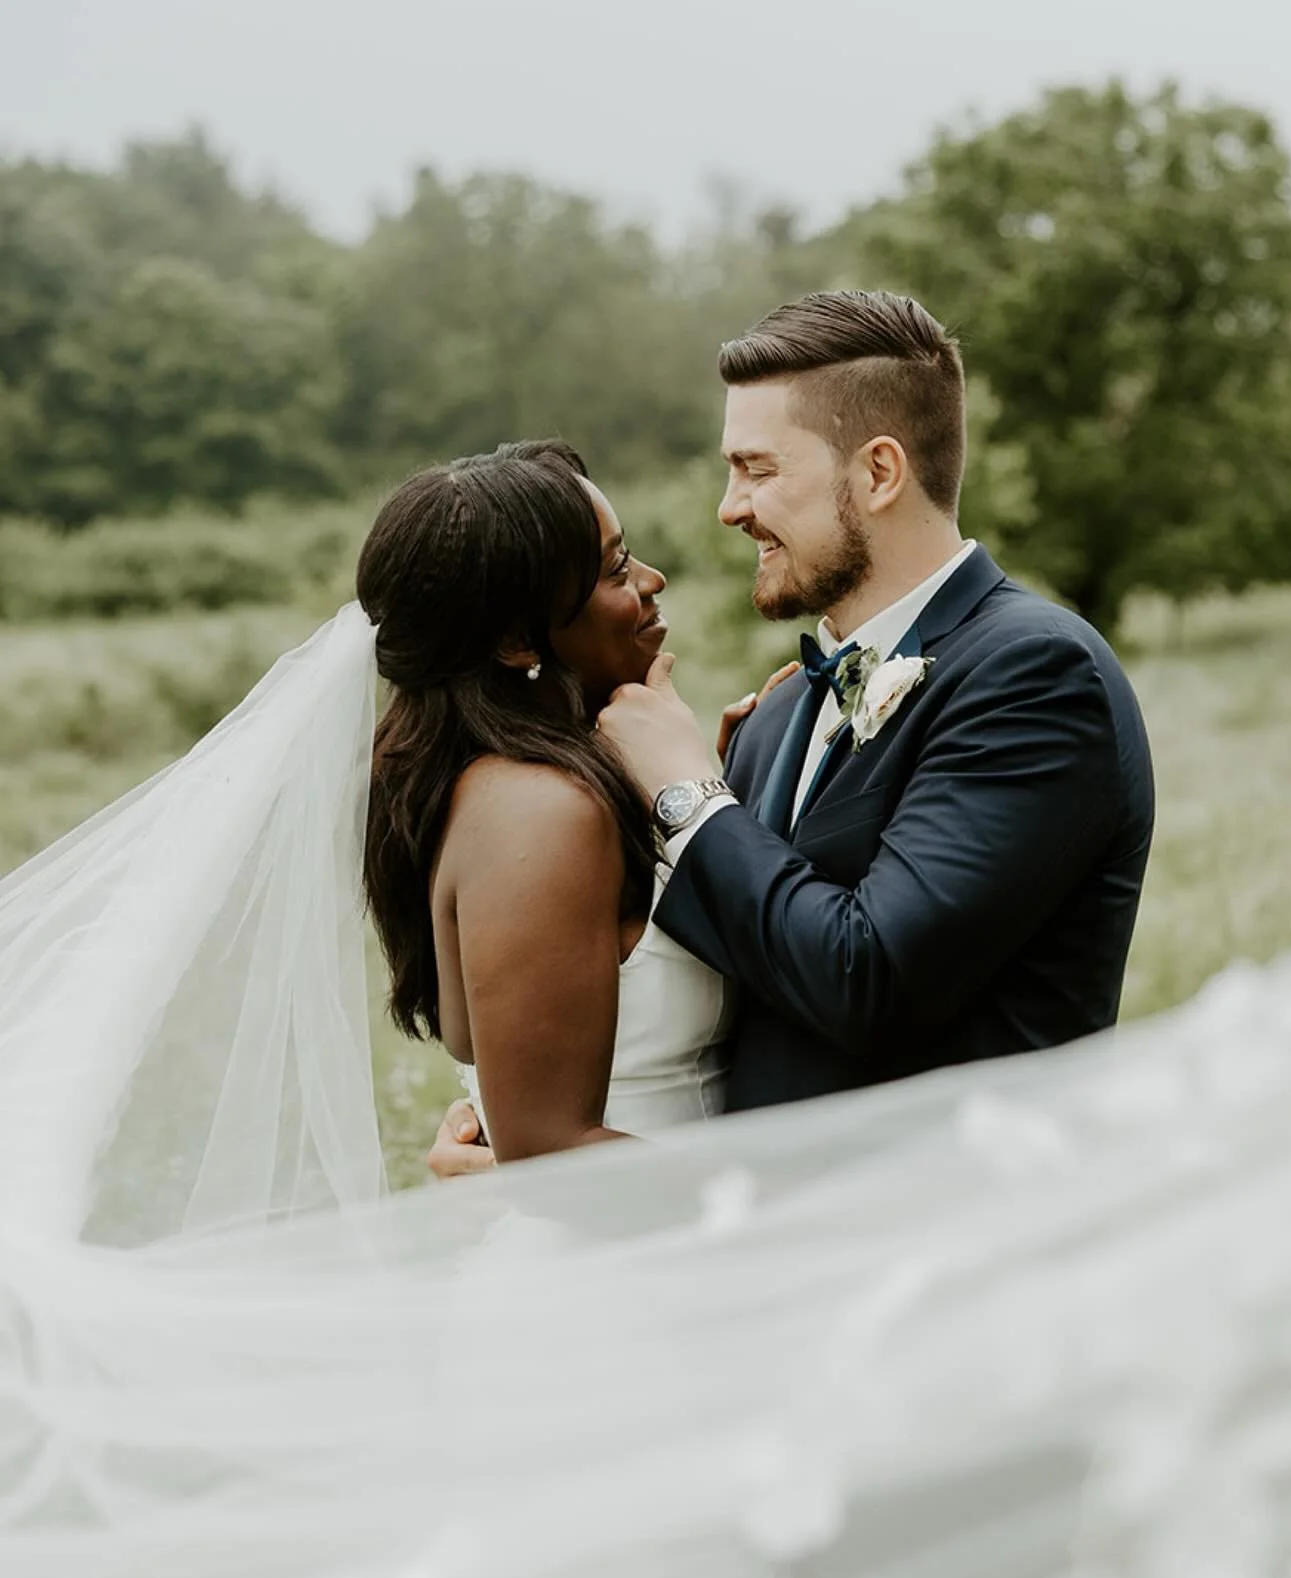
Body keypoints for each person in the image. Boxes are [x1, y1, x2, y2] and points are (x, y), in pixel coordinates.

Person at [431, 290, 1155, 1172]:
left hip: (950, 1249)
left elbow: (868, 977)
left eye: (758, 469)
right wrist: (532, 1145)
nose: (729, 508)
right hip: (763, 1260)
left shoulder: (1035, 674)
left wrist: (686, 795)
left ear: (879, 473)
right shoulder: (775, 717)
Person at [360, 439, 738, 1163]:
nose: (652, 581)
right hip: (624, 1261)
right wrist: (799, 1209)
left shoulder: (562, 783)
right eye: (618, 569)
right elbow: (550, 1152)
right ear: (512, 640)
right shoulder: (539, 810)